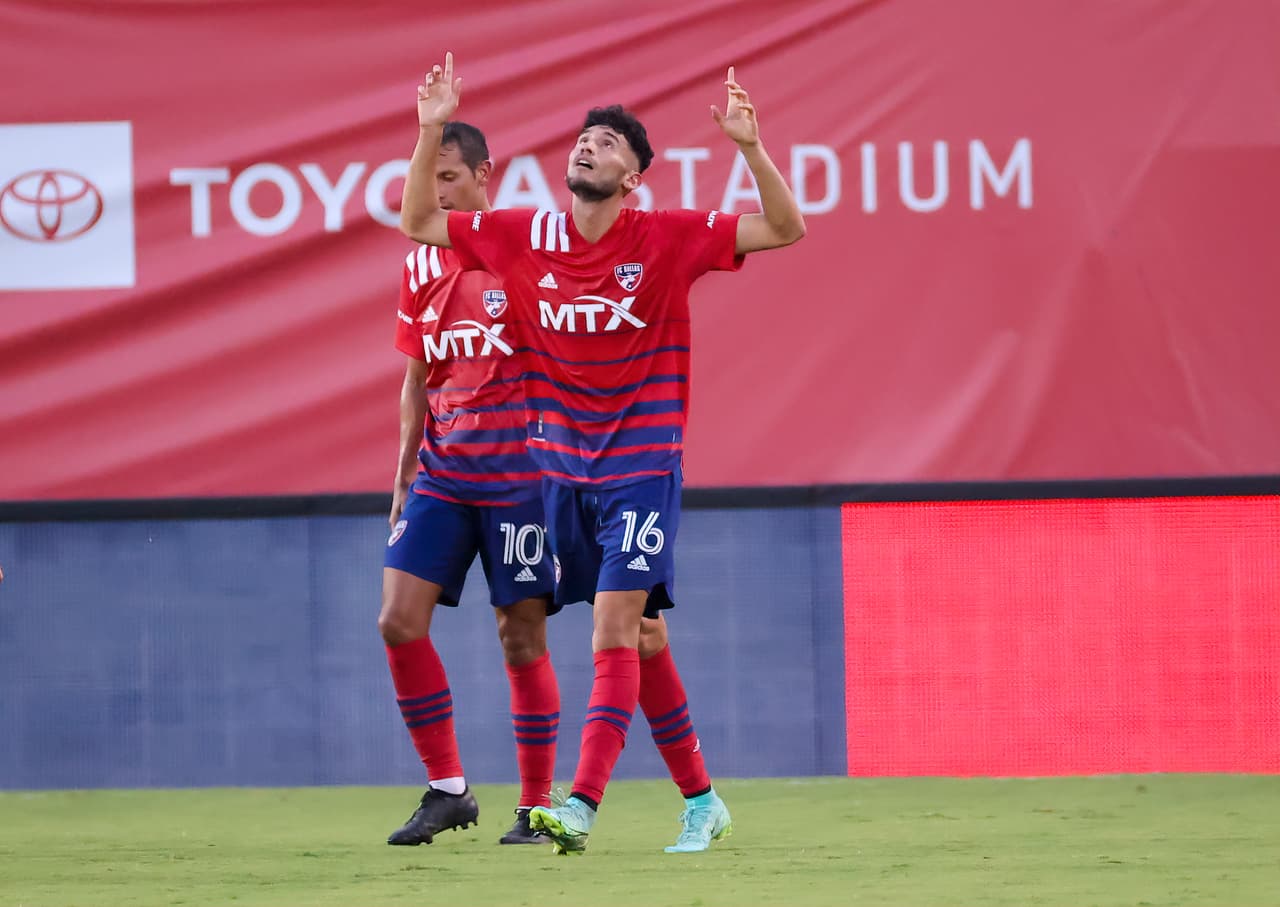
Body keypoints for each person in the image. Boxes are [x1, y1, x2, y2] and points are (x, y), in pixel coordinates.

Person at [399, 54, 805, 854]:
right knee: (643, 638)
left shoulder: (667, 237)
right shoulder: (522, 236)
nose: (589, 146)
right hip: (564, 477)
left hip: (644, 467)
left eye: (609, 144)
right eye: (584, 138)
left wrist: (750, 149)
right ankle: (704, 800)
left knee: (613, 628)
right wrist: (428, 129)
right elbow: (419, 221)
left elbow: (786, 229)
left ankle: (578, 803)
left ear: (633, 179)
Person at [380, 120, 560, 847]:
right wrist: (401, 472)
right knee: (397, 619)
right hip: (443, 477)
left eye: (447, 175)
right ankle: (449, 789)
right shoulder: (420, 266)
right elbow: (419, 375)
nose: (435, 189)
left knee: (520, 637)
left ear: (486, 174)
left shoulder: (524, 252)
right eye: (426, 176)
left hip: (523, 480)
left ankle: (538, 806)